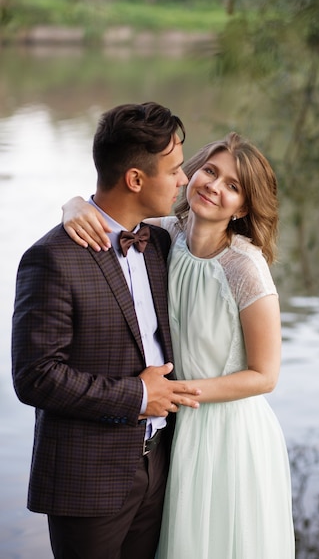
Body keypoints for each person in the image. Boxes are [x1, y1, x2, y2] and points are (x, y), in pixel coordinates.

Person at [62, 131, 295, 558]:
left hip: (229, 432)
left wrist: (174, 394)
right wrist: (73, 205)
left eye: (233, 185)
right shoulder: (166, 234)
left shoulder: (245, 266)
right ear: (191, 172)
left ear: (243, 206)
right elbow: (113, 211)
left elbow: (266, 376)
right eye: (210, 170)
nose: (214, 186)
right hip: (178, 429)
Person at [11, 101, 202, 559]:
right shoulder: (52, 258)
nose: (184, 180)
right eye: (175, 170)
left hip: (161, 463)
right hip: (87, 476)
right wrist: (137, 397)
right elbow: (35, 376)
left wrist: (74, 201)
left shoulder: (159, 240)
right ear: (135, 179)